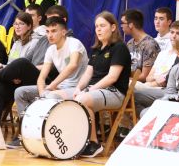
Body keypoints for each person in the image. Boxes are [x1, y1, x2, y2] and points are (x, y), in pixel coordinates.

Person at [10, 16, 89, 148]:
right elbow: (41, 77)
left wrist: (51, 87)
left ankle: (48, 134)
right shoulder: (51, 49)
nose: (50, 35)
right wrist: (42, 92)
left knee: (50, 95)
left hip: (77, 88)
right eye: (47, 31)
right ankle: (26, 132)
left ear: (63, 32)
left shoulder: (74, 43)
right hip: (60, 88)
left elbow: (72, 66)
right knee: (20, 92)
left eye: (54, 31)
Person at [65, 11, 131, 158]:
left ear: (113, 27)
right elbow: (87, 74)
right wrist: (78, 88)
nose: (98, 29)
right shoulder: (96, 50)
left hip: (114, 92)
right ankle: (72, 139)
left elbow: (112, 77)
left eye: (102, 26)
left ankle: (93, 143)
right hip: (93, 90)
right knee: (57, 96)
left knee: (83, 100)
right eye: (96, 27)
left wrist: (88, 90)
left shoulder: (119, 47)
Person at [120, 9, 159, 83]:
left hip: (141, 86)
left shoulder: (150, 44)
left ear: (131, 25)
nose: (121, 26)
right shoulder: (130, 43)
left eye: (122, 23)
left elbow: (145, 77)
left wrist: (124, 81)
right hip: (130, 82)